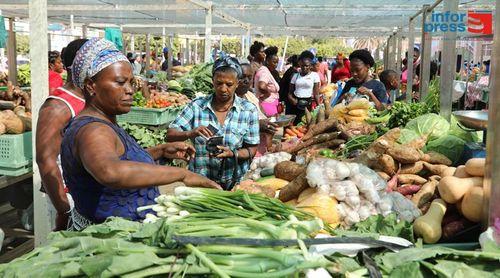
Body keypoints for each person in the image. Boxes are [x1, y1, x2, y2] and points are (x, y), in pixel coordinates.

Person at [60, 38, 220, 230]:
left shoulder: (103, 122)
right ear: (90, 86)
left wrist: (159, 151)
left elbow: (119, 159)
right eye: (120, 82)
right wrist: (182, 175)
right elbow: (110, 171)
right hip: (111, 238)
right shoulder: (93, 130)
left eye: (131, 82)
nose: (129, 90)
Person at [167, 57, 260, 190]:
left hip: (234, 185)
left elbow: (252, 149)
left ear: (237, 83)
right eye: (219, 83)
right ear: (213, 82)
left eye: (229, 84)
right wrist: (190, 133)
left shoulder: (248, 110)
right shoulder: (197, 106)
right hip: (200, 182)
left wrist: (233, 154)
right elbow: (170, 134)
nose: (223, 89)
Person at [36, 39, 88, 231]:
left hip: (85, 193)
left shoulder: (88, 99)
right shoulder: (58, 106)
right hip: (68, 196)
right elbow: (45, 160)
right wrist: (63, 209)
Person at [236, 62, 278, 155]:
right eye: (242, 77)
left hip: (261, 148)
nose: (246, 81)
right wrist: (257, 125)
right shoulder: (230, 101)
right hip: (243, 151)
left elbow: (263, 115)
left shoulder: (251, 96)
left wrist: (270, 123)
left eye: (250, 77)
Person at [288, 51, 321, 125]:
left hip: (307, 103)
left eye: (307, 66)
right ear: (300, 65)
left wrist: (319, 106)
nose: (304, 68)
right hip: (295, 104)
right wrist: (293, 100)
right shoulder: (295, 76)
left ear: (310, 66)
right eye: (303, 65)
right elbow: (290, 93)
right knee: (294, 126)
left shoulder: (314, 76)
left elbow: (316, 94)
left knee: (305, 124)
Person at [255, 46, 280, 117]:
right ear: (267, 61)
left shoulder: (267, 71)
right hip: (267, 105)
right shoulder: (264, 71)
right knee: (271, 126)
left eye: (277, 63)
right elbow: (262, 86)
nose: (276, 65)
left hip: (270, 104)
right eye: (274, 62)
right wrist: (268, 94)